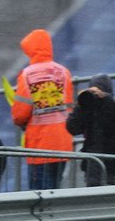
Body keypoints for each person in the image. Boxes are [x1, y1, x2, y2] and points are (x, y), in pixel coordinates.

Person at [12, 28, 75, 190]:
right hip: (62, 142)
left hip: (40, 143)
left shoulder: (27, 75)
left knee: (38, 193)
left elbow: (20, 114)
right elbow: (68, 106)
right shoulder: (63, 72)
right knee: (54, 188)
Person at [66, 73, 115, 186]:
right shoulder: (88, 109)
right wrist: (80, 106)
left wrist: (106, 98)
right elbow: (73, 128)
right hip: (93, 165)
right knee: (93, 194)